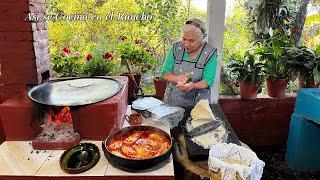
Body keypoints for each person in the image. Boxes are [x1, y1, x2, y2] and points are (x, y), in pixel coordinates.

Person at [161, 18, 218, 107]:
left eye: (191, 41)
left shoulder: (210, 53)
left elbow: (208, 81)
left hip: (198, 106)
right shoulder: (175, 48)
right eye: (184, 39)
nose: (186, 44)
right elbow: (165, 73)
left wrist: (193, 85)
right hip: (171, 104)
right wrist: (179, 79)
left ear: (202, 39)